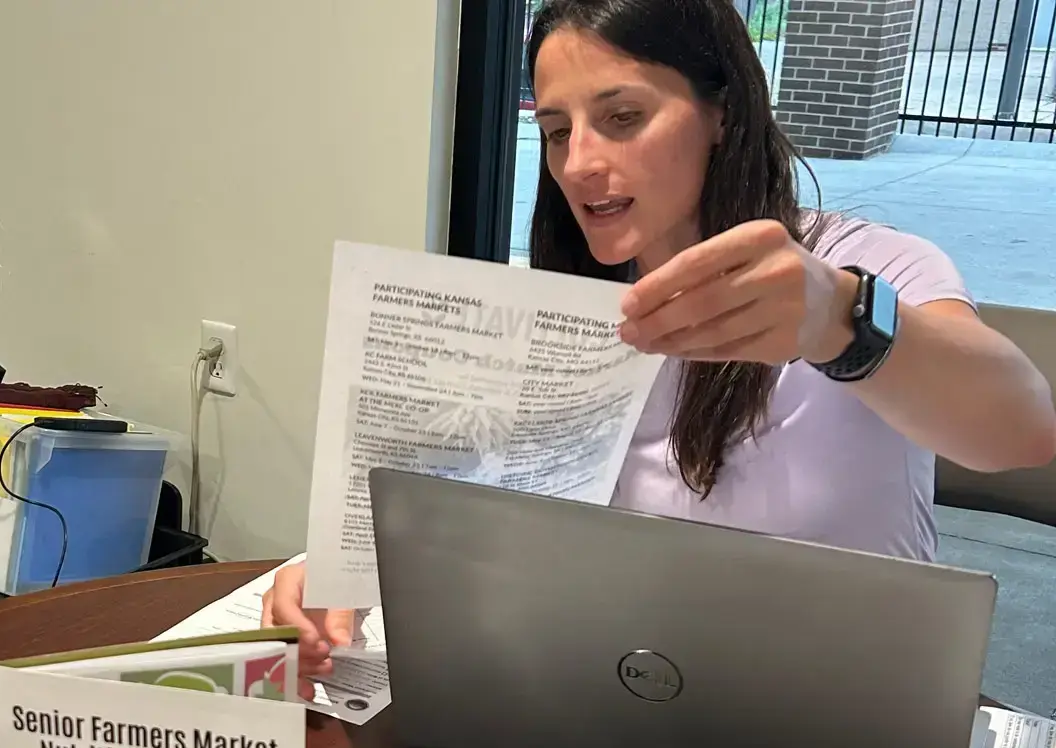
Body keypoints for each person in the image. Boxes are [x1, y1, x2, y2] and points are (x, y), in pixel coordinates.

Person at [264, 0, 1056, 694]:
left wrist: (842, 320)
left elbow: (1019, 429)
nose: (578, 165)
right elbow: (466, 502)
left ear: (720, 112)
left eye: (622, 117)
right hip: (617, 705)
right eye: (555, 130)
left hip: (846, 719)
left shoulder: (868, 271)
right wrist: (353, 567)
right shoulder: (555, 313)